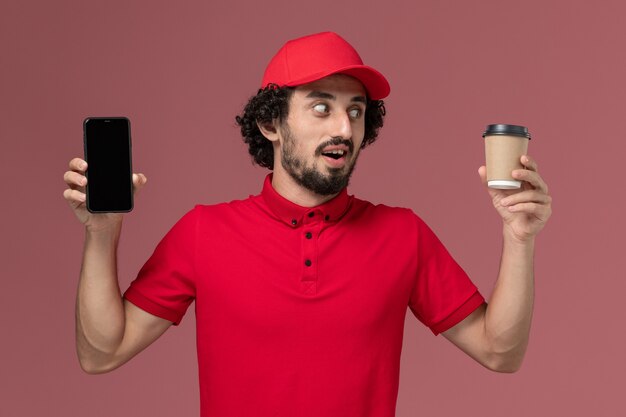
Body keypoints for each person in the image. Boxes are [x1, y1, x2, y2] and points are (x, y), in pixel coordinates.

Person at [63, 32, 552, 417]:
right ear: (270, 124)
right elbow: (102, 353)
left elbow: (499, 351)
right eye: (322, 107)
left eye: (355, 111)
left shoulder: (403, 235)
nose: (343, 127)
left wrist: (519, 237)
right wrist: (100, 232)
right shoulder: (203, 232)